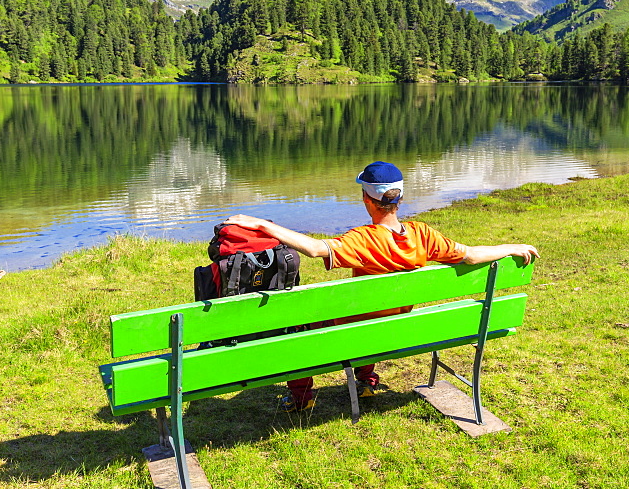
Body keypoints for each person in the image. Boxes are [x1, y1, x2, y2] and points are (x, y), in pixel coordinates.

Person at [224, 161, 539, 412]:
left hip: (354, 334)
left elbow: (316, 249)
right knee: (373, 317)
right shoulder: (423, 235)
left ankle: (302, 397)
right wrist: (512, 246)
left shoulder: (363, 238)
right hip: (393, 332)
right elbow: (470, 255)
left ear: (366, 199)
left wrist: (265, 225)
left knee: (297, 325)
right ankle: (366, 380)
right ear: (399, 198)